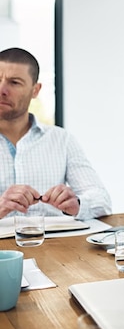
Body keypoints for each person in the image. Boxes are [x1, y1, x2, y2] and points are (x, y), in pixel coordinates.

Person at [0, 47, 112, 220]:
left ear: (35, 90)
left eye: (14, 82)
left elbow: (102, 200)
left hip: (54, 244)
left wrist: (77, 204)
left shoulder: (61, 140)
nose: (2, 90)